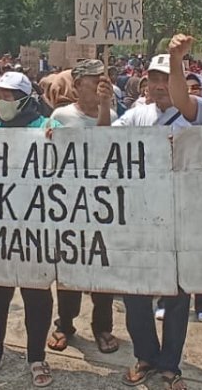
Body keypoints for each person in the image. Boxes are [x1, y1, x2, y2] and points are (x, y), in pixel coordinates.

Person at [113, 35, 202, 390]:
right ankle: (145, 354)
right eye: (154, 78)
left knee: (178, 295)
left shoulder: (195, 116)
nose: (160, 85)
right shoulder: (136, 115)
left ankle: (170, 362)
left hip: (182, 217)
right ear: (145, 82)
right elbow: (105, 143)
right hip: (139, 216)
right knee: (136, 291)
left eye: (167, 77)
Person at [0, 71, 59, 386]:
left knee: (37, 296)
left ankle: (37, 358)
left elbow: (73, 156)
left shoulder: (46, 127)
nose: (1, 101)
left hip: (37, 229)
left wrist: (56, 139)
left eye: (8, 96)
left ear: (25, 99)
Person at [43, 60, 121, 356]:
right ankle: (65, 324)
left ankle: (103, 327)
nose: (100, 83)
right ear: (76, 86)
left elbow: (106, 148)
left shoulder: (112, 115)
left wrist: (104, 107)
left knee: (102, 268)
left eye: (103, 79)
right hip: (69, 206)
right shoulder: (61, 116)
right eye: (92, 80)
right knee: (69, 266)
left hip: (102, 206)